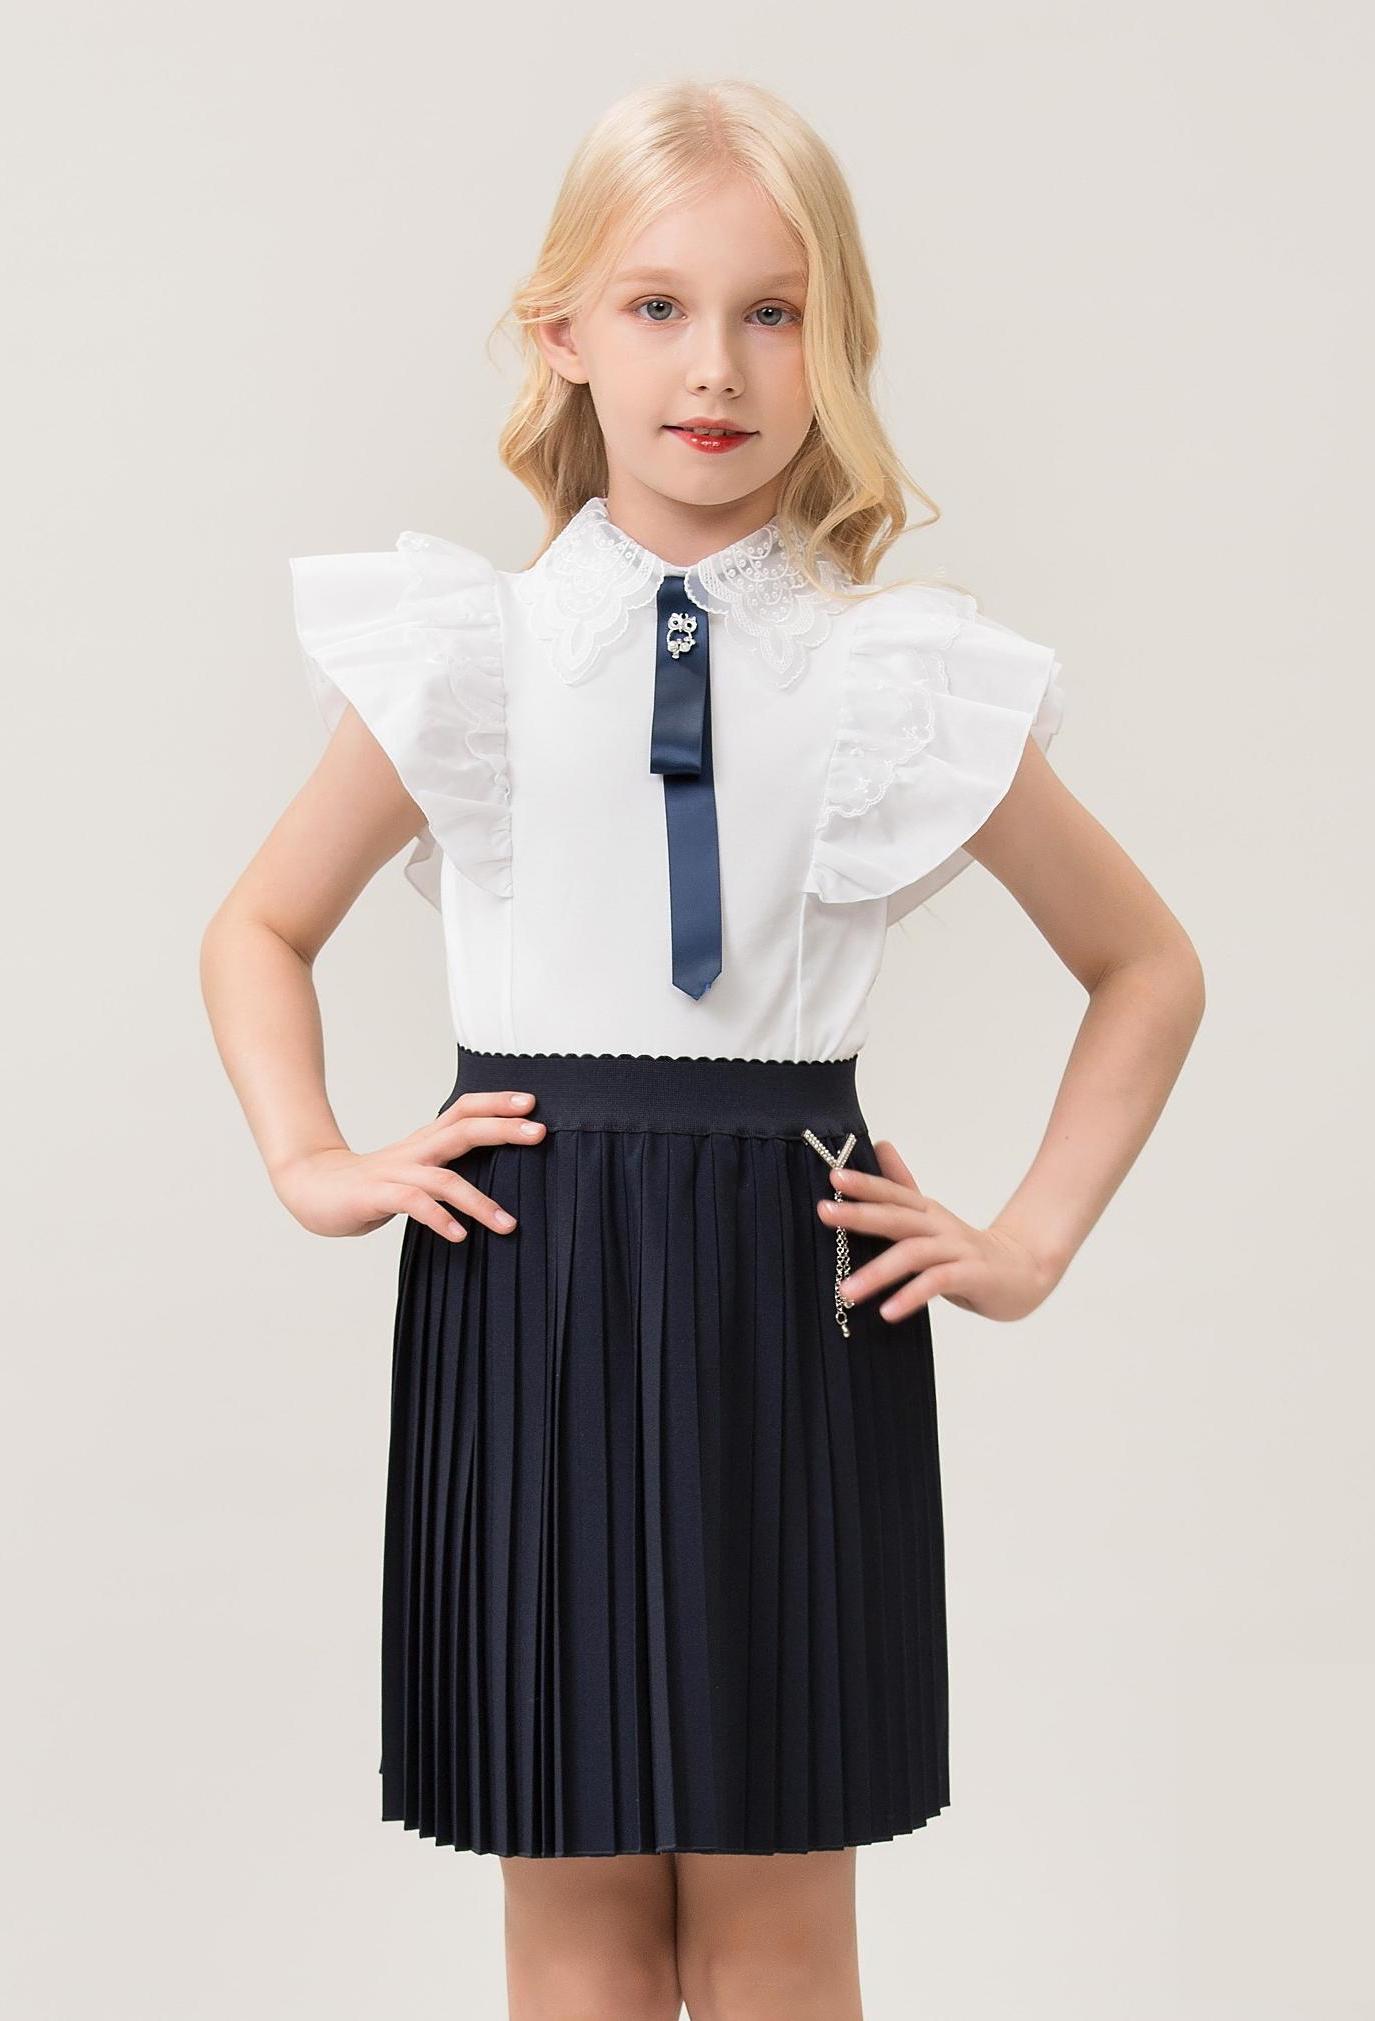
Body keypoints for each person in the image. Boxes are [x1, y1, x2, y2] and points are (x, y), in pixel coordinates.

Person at [201, 75, 1205, 2021]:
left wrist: (1028, 1240)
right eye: (657, 307)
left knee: (776, 1918)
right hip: (532, 1284)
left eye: (772, 312)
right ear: (562, 332)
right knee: (574, 1917)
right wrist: (311, 1156)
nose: (716, 365)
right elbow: (257, 926)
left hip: (788, 1302)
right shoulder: (473, 652)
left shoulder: (891, 673)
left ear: (836, 345)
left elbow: (1143, 965)